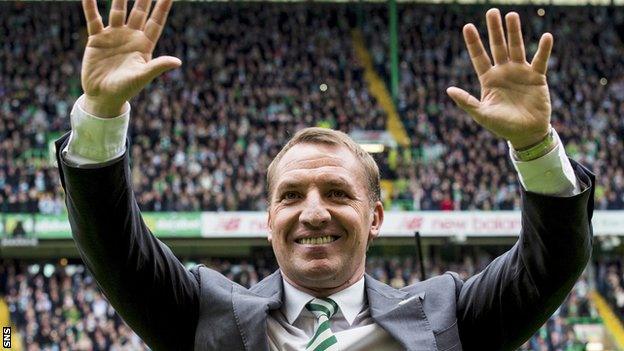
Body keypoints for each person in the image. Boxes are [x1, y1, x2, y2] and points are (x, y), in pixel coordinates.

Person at [55, 0, 595, 349]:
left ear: (376, 216)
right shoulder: (204, 314)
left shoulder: (447, 315)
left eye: (337, 192)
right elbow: (114, 246)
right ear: (270, 221)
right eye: (290, 196)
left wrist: (532, 144)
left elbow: (550, 264)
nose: (313, 212)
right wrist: (102, 114)